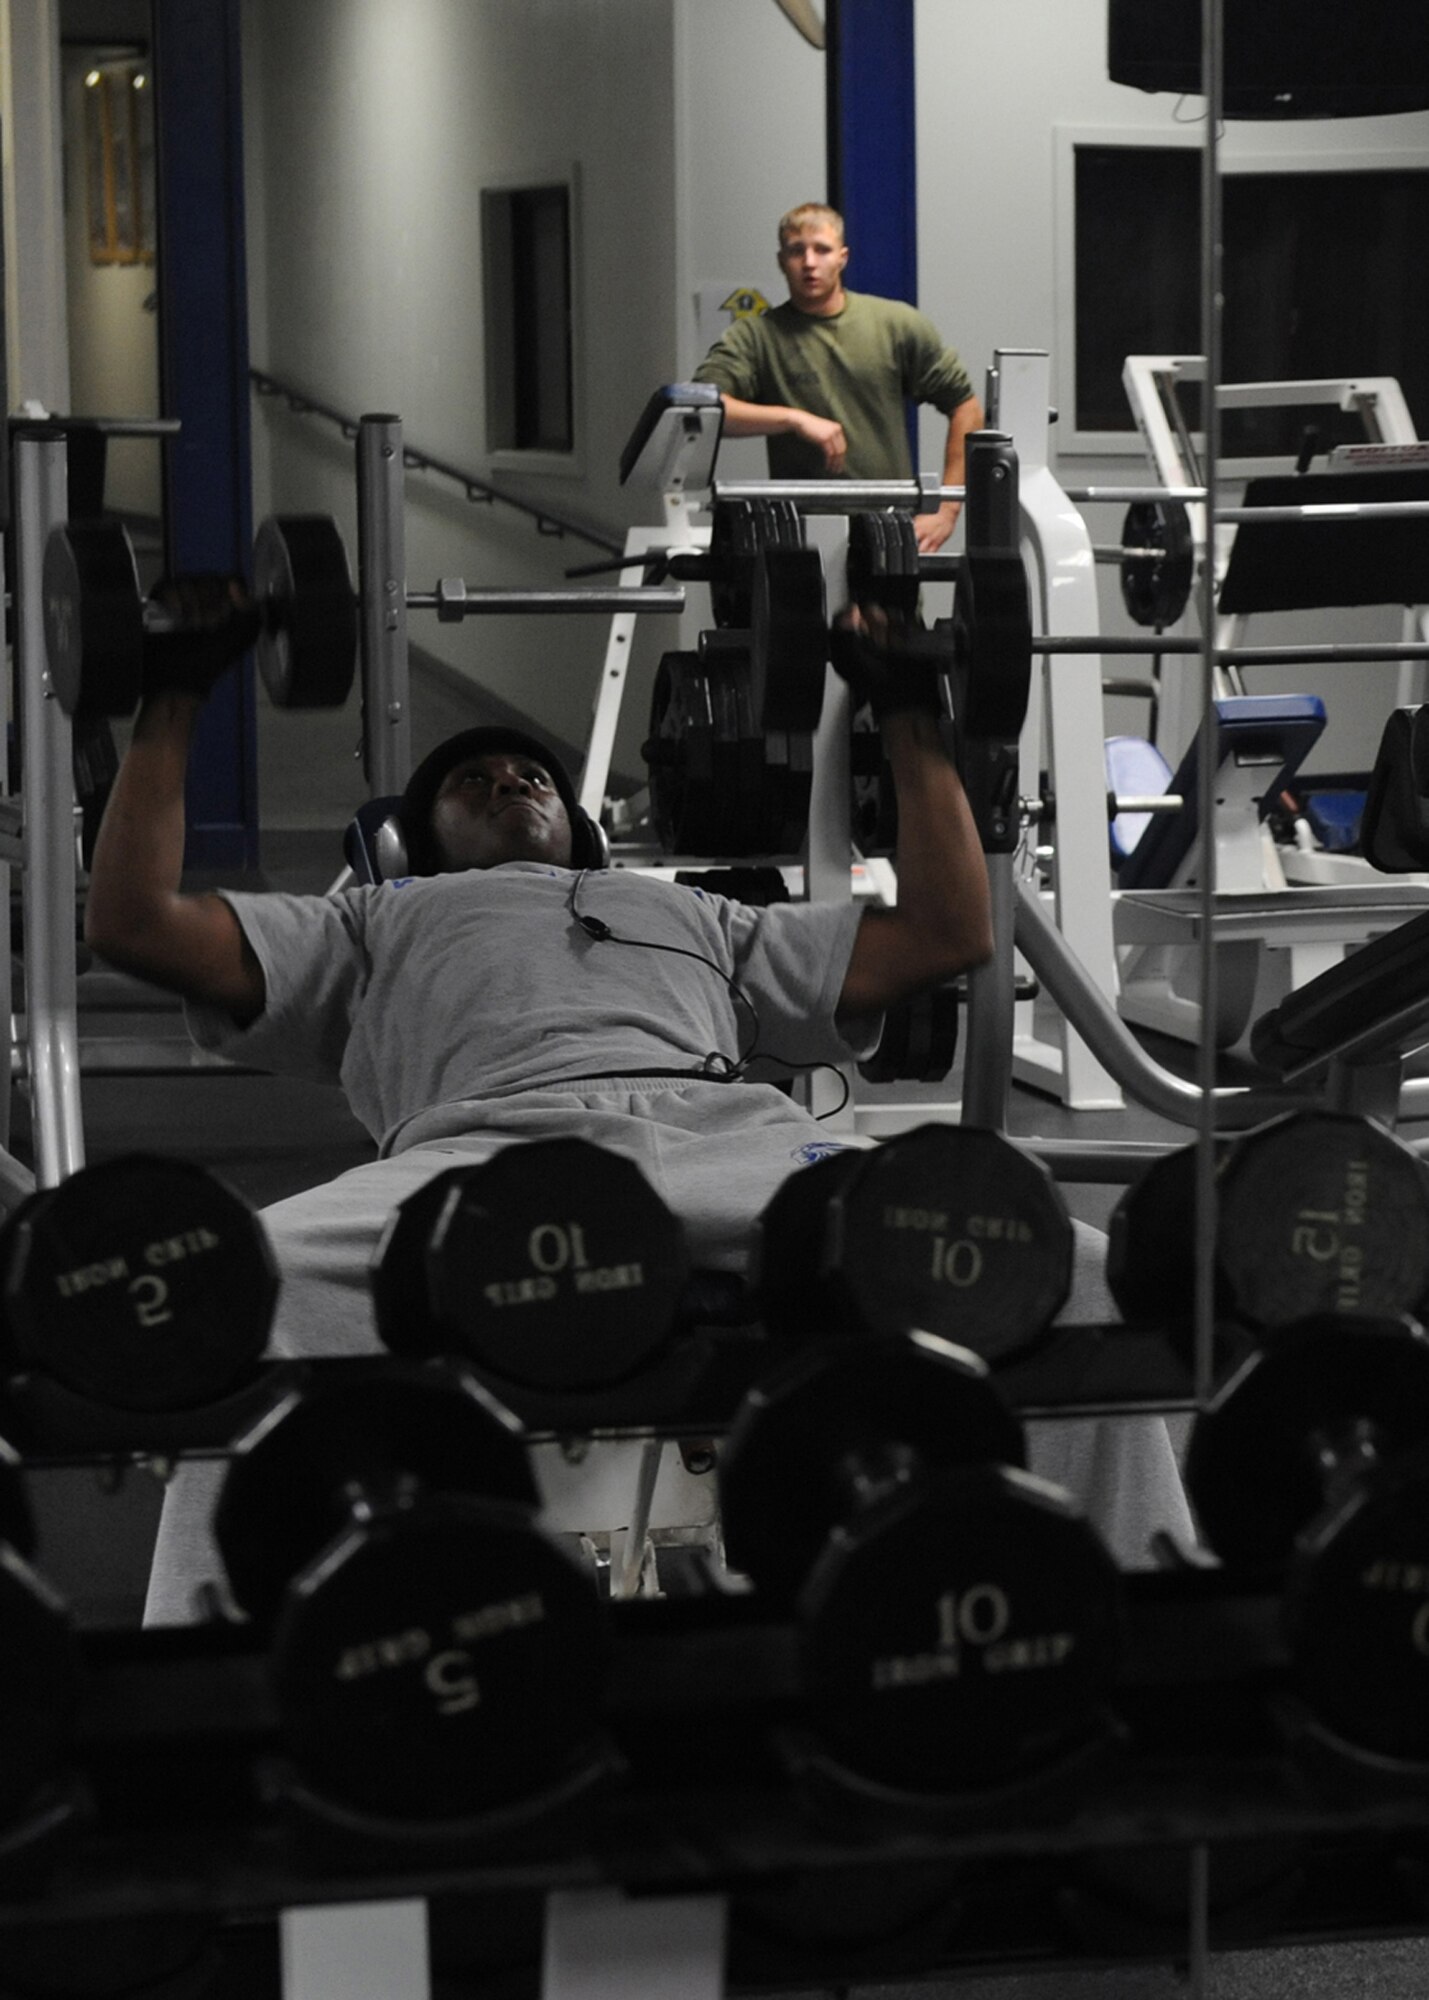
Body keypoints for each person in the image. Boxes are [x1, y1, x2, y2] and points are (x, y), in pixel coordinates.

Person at [85, 614, 1191, 1616]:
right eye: (472, 781)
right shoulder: (375, 919)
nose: (509, 782)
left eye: (531, 775)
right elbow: (133, 922)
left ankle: (1148, 1620)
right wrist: (171, 698)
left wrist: (908, 711)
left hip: (732, 1139)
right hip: (472, 1162)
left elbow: (949, 930)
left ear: (578, 824)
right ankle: (215, 1683)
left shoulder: (693, 912)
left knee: (1065, 1270)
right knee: (245, 1291)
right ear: (414, 843)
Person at [693, 202, 984, 553]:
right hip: (799, 539)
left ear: (842, 258)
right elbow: (704, 410)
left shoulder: (896, 325)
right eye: (796, 251)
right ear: (781, 261)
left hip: (887, 536)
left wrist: (947, 510)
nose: (809, 262)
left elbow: (966, 408)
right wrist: (793, 419)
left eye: (822, 250)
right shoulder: (756, 337)